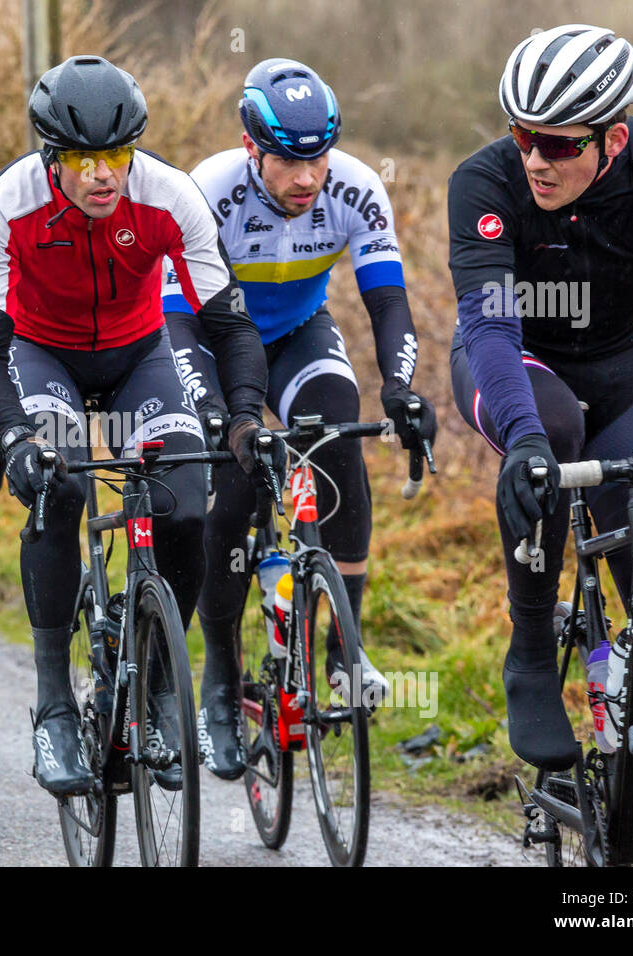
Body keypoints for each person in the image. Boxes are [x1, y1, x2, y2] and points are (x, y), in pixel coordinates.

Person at [448, 25, 633, 847]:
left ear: (612, 137)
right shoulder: (485, 183)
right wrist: (526, 439)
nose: (534, 159)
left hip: (626, 376)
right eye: (520, 135)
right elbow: (492, 328)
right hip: (512, 364)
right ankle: (533, 643)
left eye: (556, 143)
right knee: (556, 434)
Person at [0, 54, 277, 795]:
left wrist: (239, 421)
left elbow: (230, 326)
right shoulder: (3, 207)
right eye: (83, 158)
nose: (104, 174)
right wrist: (13, 437)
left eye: (118, 155)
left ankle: (164, 681)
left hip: (139, 356)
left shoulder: (170, 196)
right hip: (43, 357)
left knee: (186, 499)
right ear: (52, 157)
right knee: (60, 484)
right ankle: (53, 706)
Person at [164, 58, 438, 779]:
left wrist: (401, 389)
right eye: (288, 159)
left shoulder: (355, 186)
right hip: (217, 340)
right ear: (252, 149)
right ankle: (219, 678)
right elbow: (176, 321)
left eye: (317, 157)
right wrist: (219, 413)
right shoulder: (206, 192)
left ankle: (341, 651)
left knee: (338, 431)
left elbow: (387, 301)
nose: (307, 178)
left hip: (300, 334)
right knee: (237, 487)